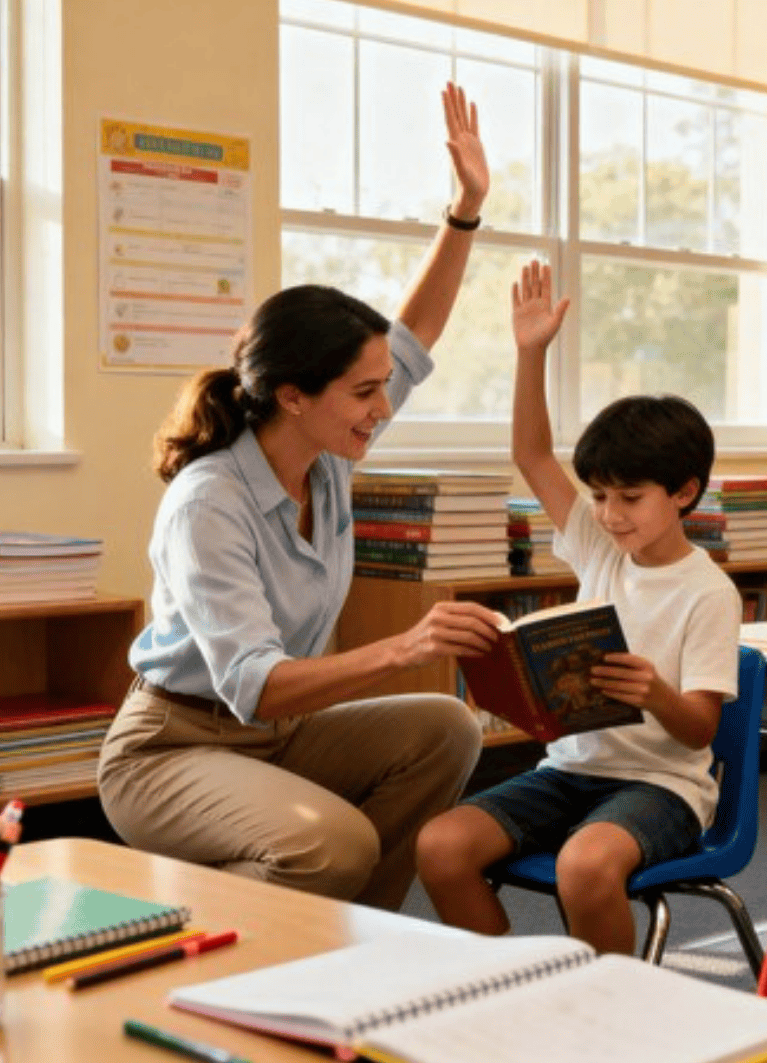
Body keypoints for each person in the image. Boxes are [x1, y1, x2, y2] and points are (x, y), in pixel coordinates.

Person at [97, 83, 502, 912]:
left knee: (448, 728)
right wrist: (404, 645)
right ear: (291, 395)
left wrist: (465, 211)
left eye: (382, 387)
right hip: (172, 747)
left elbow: (416, 334)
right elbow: (254, 685)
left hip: (279, 739)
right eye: (364, 392)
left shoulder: (328, 457)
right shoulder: (209, 502)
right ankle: (191, 930)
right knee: (334, 842)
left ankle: (351, 938)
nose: (382, 407)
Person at [415, 260, 741, 954]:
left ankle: (605, 1004)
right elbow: (531, 453)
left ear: (684, 492)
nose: (610, 514)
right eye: (599, 496)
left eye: (630, 498)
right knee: (440, 846)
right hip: (567, 771)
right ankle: (519, 981)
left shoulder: (709, 592)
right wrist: (530, 352)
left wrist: (654, 692)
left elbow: (698, 731)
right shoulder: (599, 548)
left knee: (584, 867)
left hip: (663, 787)